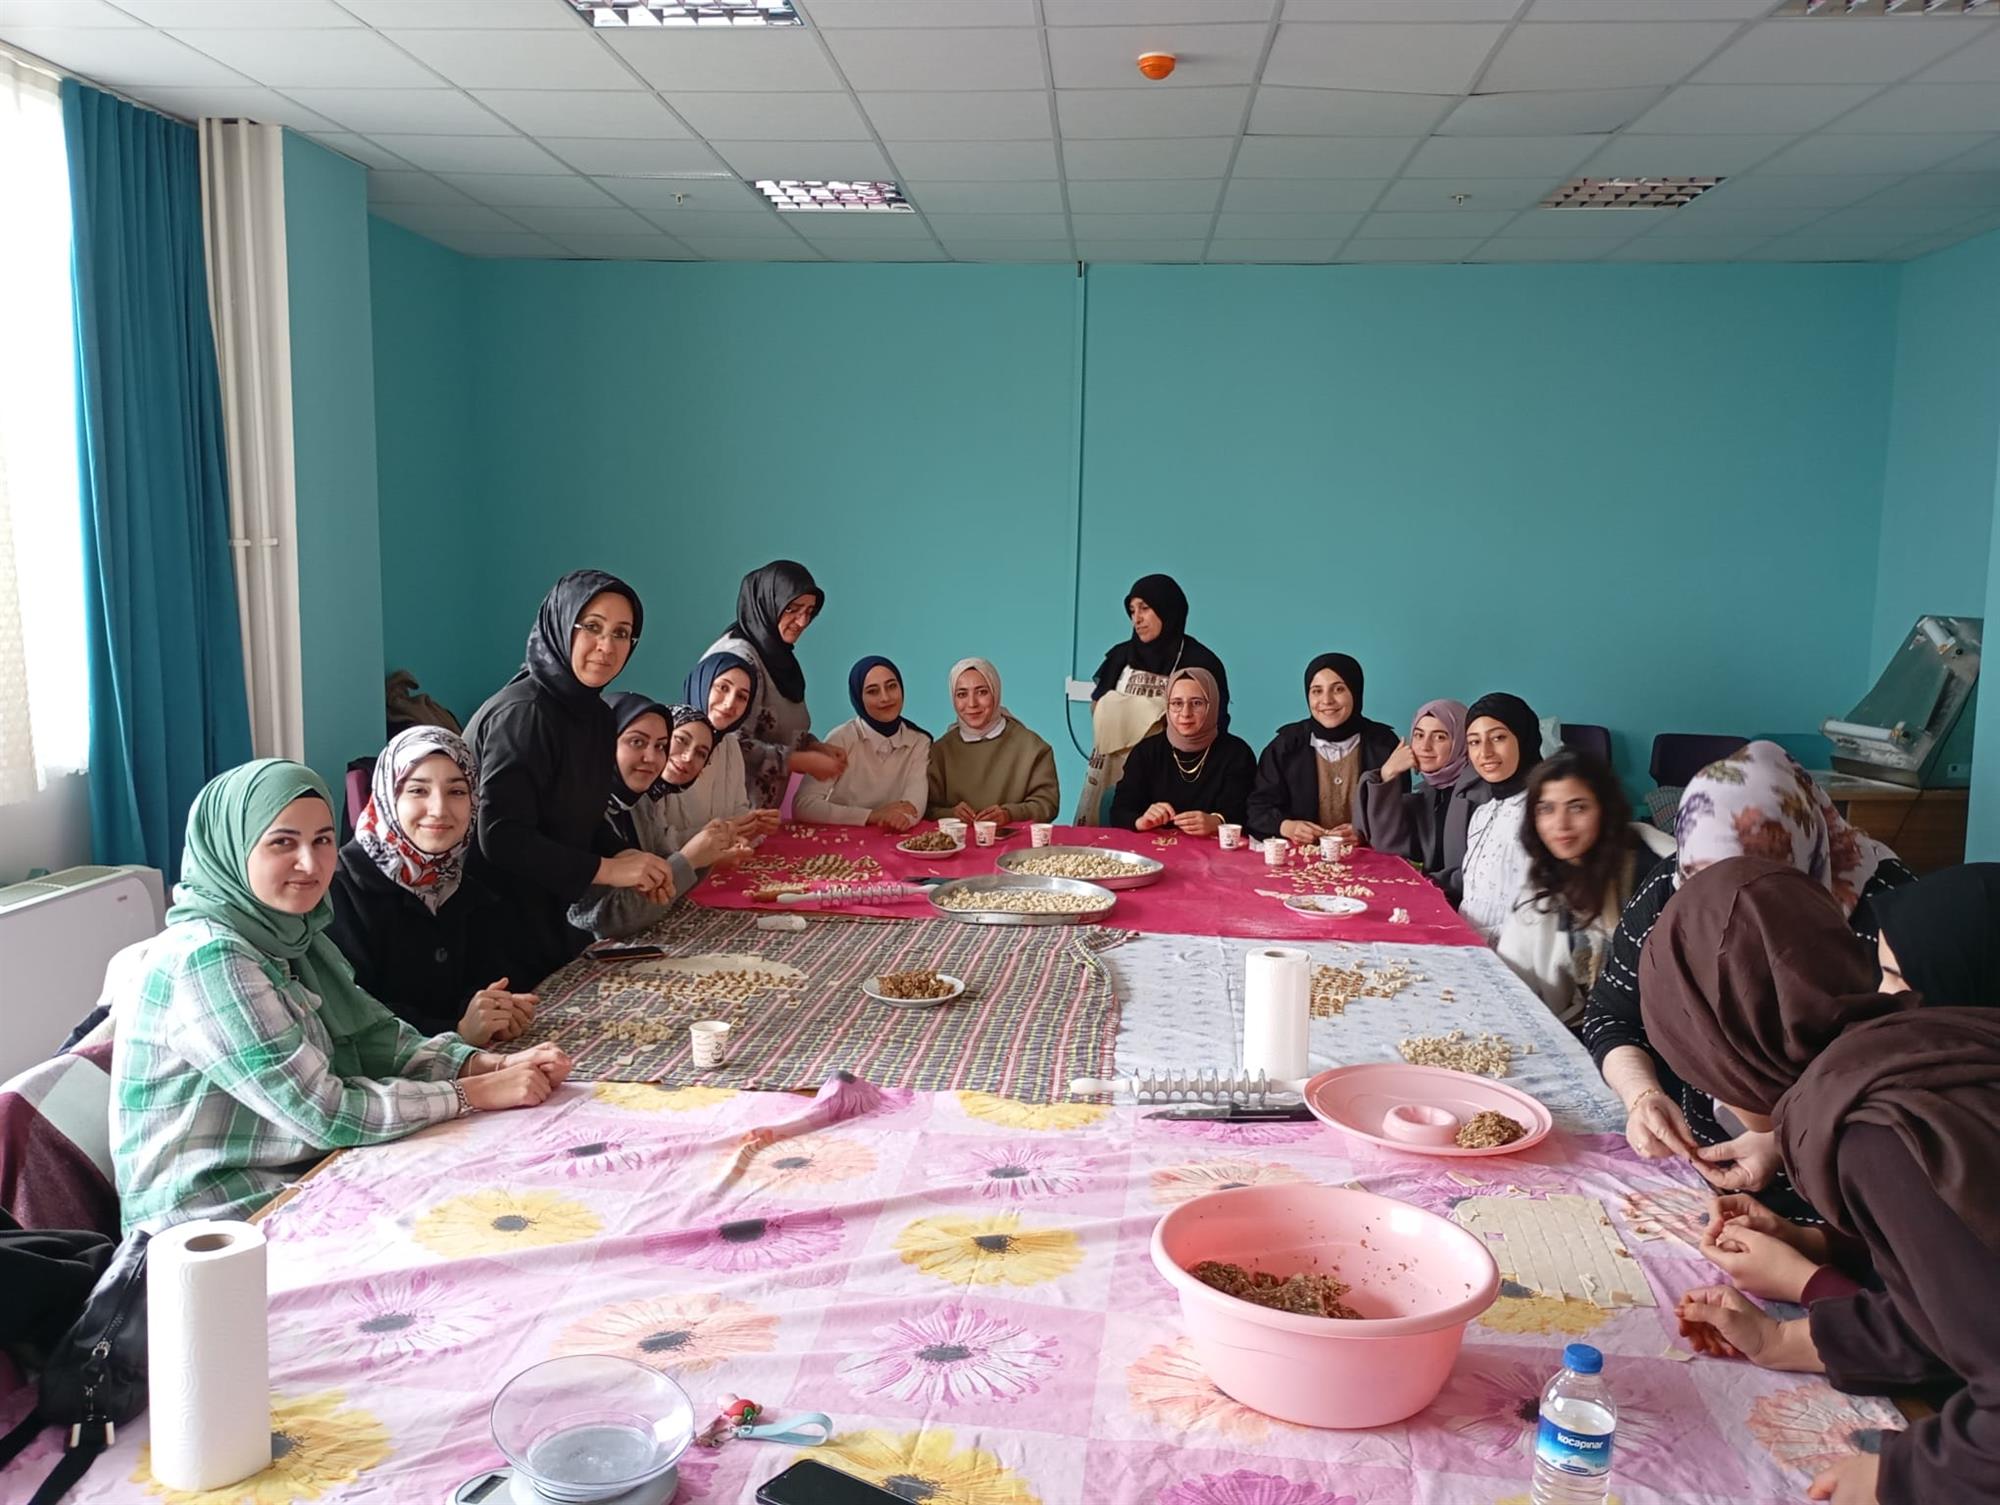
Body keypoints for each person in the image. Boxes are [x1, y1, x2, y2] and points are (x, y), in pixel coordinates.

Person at [1647, 859, 2000, 1505]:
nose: (1892, 1010)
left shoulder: (1881, 1131)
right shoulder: (1878, 1113)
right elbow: (1954, 1308)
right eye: (1884, 976)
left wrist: (1903, 1475)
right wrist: (1793, 1319)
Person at [112, 760, 570, 1233]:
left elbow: (377, 1039)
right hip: (216, 1223)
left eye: (323, 840)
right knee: (474, 1222)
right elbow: (323, 1112)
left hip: (301, 1175)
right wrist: (470, 1094)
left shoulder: (291, 936)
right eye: (282, 842)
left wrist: (484, 1064)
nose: (311, 864)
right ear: (231, 847)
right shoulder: (207, 959)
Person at [1580, 740, 1910, 1201]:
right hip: (1702, 1156)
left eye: (1755, 890)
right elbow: (1612, 1014)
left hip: (1840, 1185)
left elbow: (1896, 1089)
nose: (1728, 910)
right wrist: (1642, 1095)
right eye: (1705, 886)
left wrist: (1779, 1141)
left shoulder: (1893, 923)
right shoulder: (1674, 890)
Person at [1697, 864, 2000, 1308]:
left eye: (1898, 977)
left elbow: (1954, 1340)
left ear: (1962, 983)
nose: (1881, 998)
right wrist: (1815, 1243)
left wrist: (1806, 1286)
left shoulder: (1897, 1131)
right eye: (1882, 973)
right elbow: (1930, 1249)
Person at [463, 571, 676, 981]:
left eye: (621, 634)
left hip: (549, 915)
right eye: (592, 627)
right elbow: (502, 837)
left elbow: (579, 811)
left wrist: (623, 854)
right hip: (489, 929)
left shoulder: (594, 714)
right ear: (561, 626)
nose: (606, 647)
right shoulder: (524, 714)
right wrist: (609, 870)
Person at [327, 727, 536, 1046]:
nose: (439, 809)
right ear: (387, 796)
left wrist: (497, 1010)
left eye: (456, 792)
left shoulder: (463, 886)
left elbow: (491, 978)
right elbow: (350, 1015)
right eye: (418, 791)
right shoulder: (340, 890)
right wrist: (455, 1031)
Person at [1495, 750, 1674, 1028]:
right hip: (1577, 1031)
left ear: (1605, 809)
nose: (1561, 824)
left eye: (1578, 807)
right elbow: (1512, 980)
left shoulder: (1658, 873)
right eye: (1546, 809)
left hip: (1655, 1036)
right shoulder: (1545, 880)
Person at [570, 697, 757, 939]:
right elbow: (608, 920)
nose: (651, 757)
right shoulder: (577, 812)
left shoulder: (640, 801)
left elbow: (663, 879)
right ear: (605, 742)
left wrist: (707, 853)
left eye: (660, 746)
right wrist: (691, 858)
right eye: (637, 742)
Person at [1077, 574, 1230, 823]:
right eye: (1132, 610)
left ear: (1167, 608)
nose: (1136, 618)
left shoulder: (1201, 661)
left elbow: (1216, 722)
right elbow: (1097, 705)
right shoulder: (1120, 656)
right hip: (1109, 767)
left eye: (1145, 609)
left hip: (1168, 771)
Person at [704, 560, 846, 808]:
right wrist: (801, 761)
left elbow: (775, 727)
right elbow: (729, 744)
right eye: (793, 609)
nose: (802, 622)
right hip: (727, 813)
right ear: (768, 603)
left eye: (809, 612)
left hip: (759, 818)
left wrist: (813, 745)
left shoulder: (775, 655)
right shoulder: (739, 659)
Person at [1246, 654, 1401, 849]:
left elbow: (1399, 812)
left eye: (1338, 689)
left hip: (1368, 860)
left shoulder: (1384, 744)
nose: (1326, 700)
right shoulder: (1286, 745)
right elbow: (1257, 809)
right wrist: (1287, 827)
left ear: (1355, 691)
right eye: (1317, 691)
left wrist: (1365, 831)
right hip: (1300, 861)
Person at [1440, 691, 1542, 937]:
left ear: (1523, 739)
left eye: (1498, 738)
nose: (1484, 752)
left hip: (1519, 962)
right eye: (1474, 741)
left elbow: (1546, 912)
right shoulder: (1483, 813)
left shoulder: (1544, 813)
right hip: (1472, 950)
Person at [1108, 667, 1254, 836]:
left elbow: (1247, 813)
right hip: (1155, 849)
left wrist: (1217, 822)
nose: (1186, 713)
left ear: (1213, 705)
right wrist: (1141, 821)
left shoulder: (1237, 753)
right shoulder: (1146, 751)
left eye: (1197, 703)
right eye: (1177, 703)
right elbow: (1120, 811)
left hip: (1216, 853)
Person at [660, 651, 784, 849]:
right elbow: (653, 841)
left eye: (742, 697)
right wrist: (725, 830)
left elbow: (738, 809)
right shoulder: (663, 737)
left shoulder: (730, 745)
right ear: (702, 683)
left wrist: (752, 824)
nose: (729, 704)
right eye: (722, 687)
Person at [794, 656, 932, 830]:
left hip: (895, 836)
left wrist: (901, 818)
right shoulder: (841, 739)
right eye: (873, 691)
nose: (885, 698)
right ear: (858, 697)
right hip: (843, 841)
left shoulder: (919, 741)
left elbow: (915, 801)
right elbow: (803, 805)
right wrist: (872, 815)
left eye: (891, 686)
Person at [926, 658, 1060, 826]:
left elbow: (1047, 805)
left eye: (982, 692)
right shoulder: (940, 751)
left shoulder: (1032, 748)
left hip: (1015, 847)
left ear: (996, 692)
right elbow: (925, 808)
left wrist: (1009, 814)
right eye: (962, 694)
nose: (972, 703)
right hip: (954, 846)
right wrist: (951, 814)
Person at [1355, 698, 1466, 872]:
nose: (1425, 747)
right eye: (1419, 735)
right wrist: (1387, 774)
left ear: (1461, 742)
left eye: (1439, 737)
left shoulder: (1476, 795)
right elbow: (1388, 846)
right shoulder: (1430, 795)